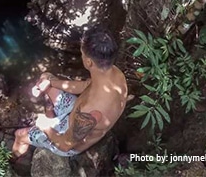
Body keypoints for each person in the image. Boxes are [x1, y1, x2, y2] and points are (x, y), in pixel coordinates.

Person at [12, 26, 128, 158]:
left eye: (82, 54)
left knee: (20, 135)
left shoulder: (91, 113)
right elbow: (87, 85)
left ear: (89, 61)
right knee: (46, 76)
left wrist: (45, 126)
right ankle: (51, 112)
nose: (82, 56)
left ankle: (14, 159)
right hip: (74, 113)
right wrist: (50, 83)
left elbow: (65, 145)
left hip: (67, 136)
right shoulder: (115, 73)